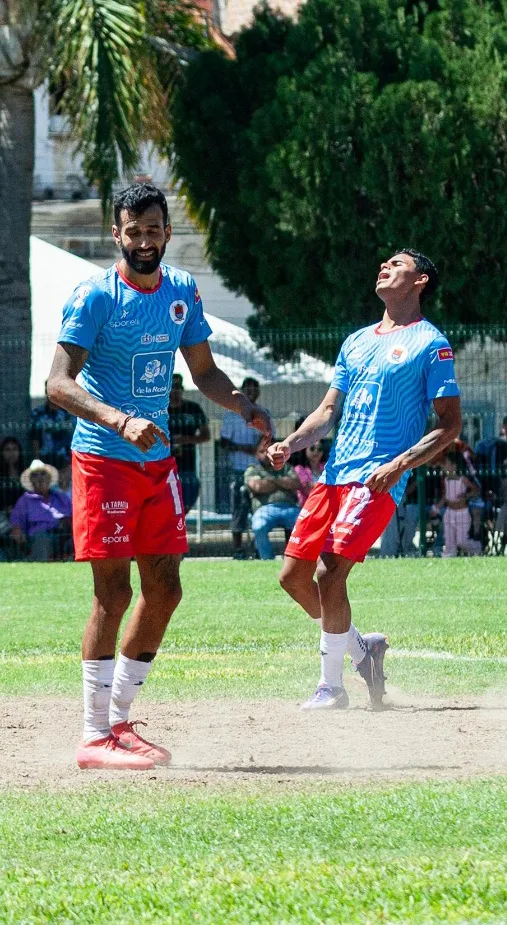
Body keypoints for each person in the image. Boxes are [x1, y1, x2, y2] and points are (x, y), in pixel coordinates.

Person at [46, 183, 271, 770]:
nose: (144, 241)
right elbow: (59, 383)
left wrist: (241, 406)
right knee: (113, 593)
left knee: (166, 589)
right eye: (133, 231)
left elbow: (204, 371)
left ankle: (119, 721)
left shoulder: (181, 291)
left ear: (167, 234)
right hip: (104, 457)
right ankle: (93, 735)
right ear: (116, 234)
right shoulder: (95, 295)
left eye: (154, 231)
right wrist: (119, 420)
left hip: (158, 463)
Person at [265, 249, 461, 711]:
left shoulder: (432, 344)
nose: (384, 268)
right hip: (333, 476)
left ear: (422, 281)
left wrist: (399, 465)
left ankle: (331, 689)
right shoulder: (355, 341)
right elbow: (328, 411)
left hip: (375, 480)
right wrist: (290, 443)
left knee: (329, 573)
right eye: (384, 263)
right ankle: (362, 650)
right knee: (293, 578)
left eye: (397, 265)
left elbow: (449, 425)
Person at [218, 376, 262, 557]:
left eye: (254, 389)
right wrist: (248, 449)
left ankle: (259, 548)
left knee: (259, 508)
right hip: (238, 469)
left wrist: (245, 448)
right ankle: (237, 548)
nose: (251, 392)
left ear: (258, 392)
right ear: (242, 391)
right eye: (248, 389)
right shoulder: (231, 416)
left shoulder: (263, 413)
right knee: (238, 509)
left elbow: (265, 442)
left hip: (259, 471)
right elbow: (224, 442)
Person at [243, 437, 303, 561]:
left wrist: (272, 480)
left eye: (269, 451)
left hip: (290, 508)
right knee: (258, 526)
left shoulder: (286, 467)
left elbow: (296, 483)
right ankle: (267, 559)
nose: (266, 454)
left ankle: (296, 559)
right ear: (256, 453)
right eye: (262, 451)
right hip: (264, 510)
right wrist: (282, 482)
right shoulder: (253, 469)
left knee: (303, 525)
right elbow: (258, 486)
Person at [9, 459, 73, 561]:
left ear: (49, 477)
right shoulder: (24, 500)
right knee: (42, 538)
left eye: (43, 474)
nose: (39, 478)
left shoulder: (61, 497)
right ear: (30, 480)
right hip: (37, 539)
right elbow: (16, 527)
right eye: (35, 475)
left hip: (63, 537)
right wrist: (18, 533)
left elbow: (74, 518)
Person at [165, 373, 210, 512]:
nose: (175, 390)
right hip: (164, 464)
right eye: (172, 387)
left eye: (178, 387)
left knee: (185, 505)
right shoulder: (161, 409)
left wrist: (186, 439)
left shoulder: (193, 409)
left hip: (188, 466)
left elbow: (206, 435)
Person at [435, 450, 482, 557]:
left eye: (446, 463)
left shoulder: (462, 479)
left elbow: (476, 489)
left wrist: (466, 496)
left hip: (462, 513)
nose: (444, 466)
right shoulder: (446, 479)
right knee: (449, 542)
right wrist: (437, 508)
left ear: (454, 466)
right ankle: (448, 558)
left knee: (462, 541)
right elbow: (445, 496)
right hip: (449, 513)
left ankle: (477, 548)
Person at [28, 398, 74, 470]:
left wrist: (70, 465)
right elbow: (34, 438)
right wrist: (37, 460)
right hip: (45, 459)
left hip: (66, 460)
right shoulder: (37, 413)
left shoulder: (68, 414)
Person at [292, 440, 329, 507]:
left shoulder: (326, 467)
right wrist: (327, 487)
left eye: (320, 449)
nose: (316, 451)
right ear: (305, 450)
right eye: (312, 448)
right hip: (307, 507)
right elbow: (307, 489)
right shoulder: (299, 469)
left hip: (326, 505)